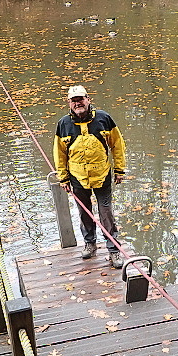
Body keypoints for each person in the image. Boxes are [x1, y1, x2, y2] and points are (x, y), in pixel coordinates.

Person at [53, 85, 126, 268]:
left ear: (88, 99)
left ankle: (114, 250)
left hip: (102, 175)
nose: (78, 103)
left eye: (81, 99)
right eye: (74, 100)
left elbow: (117, 145)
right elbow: (59, 154)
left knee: (106, 213)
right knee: (84, 213)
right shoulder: (63, 124)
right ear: (69, 103)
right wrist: (63, 178)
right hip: (77, 178)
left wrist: (119, 170)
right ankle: (90, 243)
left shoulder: (104, 118)